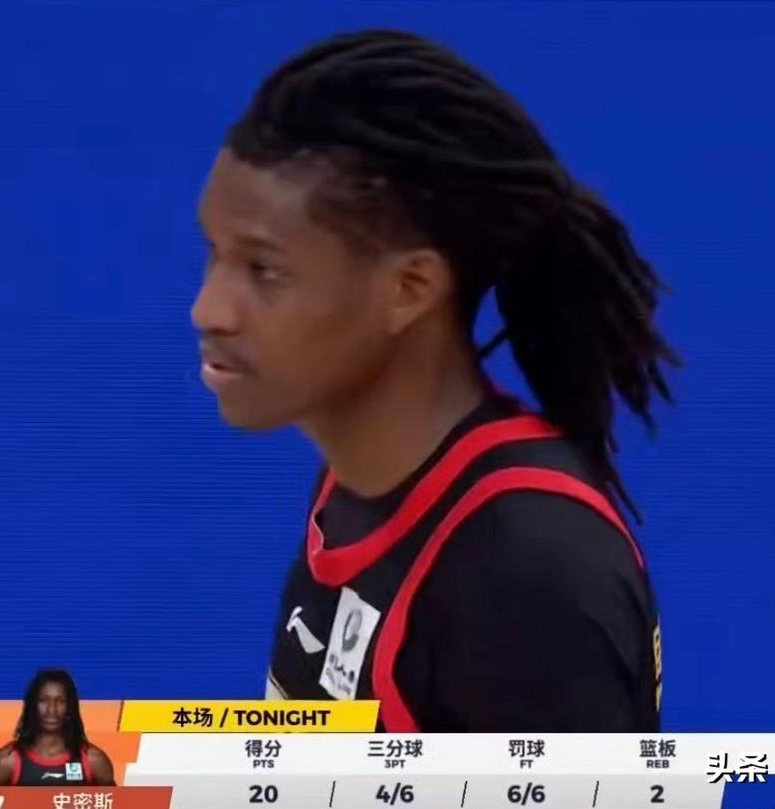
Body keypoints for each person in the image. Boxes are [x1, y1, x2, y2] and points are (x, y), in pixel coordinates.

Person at [192, 29, 679, 732]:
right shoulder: (359, 483)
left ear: (410, 288)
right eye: (216, 254)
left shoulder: (527, 573)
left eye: (265, 271)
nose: (209, 310)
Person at [0, 669, 115, 786]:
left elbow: (116, 800)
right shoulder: (6, 761)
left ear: (70, 706)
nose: (51, 709)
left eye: (60, 701)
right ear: (32, 705)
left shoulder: (94, 761)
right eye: (43, 700)